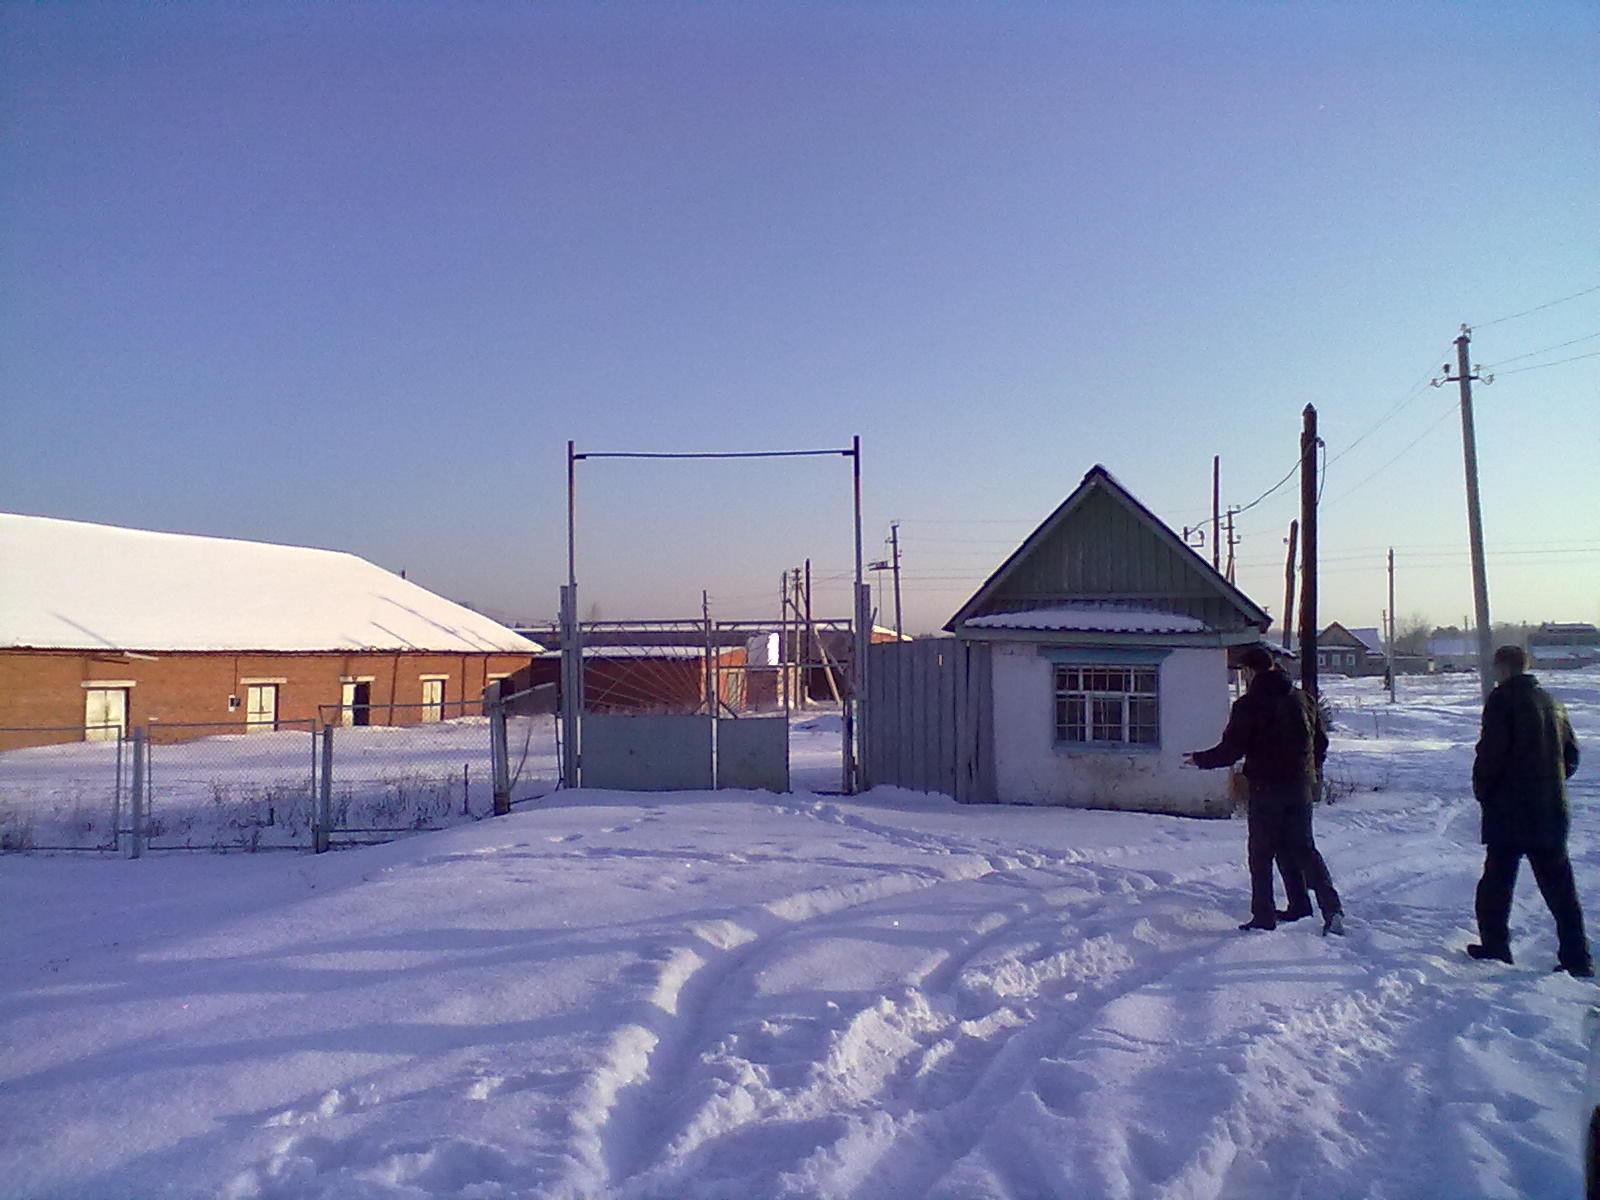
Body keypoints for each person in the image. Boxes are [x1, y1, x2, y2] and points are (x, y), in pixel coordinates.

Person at [1186, 644, 1345, 936]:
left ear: (1249, 671)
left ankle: (1264, 916)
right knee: (1302, 847)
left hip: (1266, 786)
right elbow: (1320, 742)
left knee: (1261, 853)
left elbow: (1232, 749)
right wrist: (1310, 771)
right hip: (1300, 787)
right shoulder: (1302, 699)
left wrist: (1200, 760)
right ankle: (1323, 908)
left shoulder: (1248, 705)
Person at [1466, 645, 1589, 976]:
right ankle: (1577, 957)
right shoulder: (1553, 703)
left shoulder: (1502, 701)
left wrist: (1484, 791)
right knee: (1560, 889)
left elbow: (1491, 754)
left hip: (1510, 810)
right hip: (1550, 809)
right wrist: (1549, 782)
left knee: (1496, 883)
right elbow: (1571, 756)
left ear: (1502, 668)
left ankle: (1495, 946)